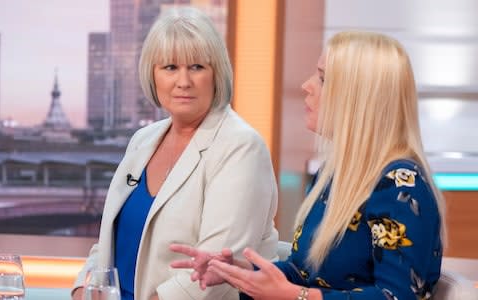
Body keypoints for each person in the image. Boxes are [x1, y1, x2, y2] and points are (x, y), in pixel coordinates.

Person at [170, 31, 446, 300]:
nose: (307, 85)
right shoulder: (333, 175)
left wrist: (297, 296)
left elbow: (396, 296)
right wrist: (241, 272)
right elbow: (305, 273)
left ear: (359, 99)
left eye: (323, 79)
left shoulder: (400, 186)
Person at [71, 7, 279, 300]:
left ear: (216, 73)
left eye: (196, 67)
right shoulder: (143, 139)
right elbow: (108, 244)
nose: (183, 82)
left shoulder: (241, 146)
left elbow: (213, 274)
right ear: (153, 75)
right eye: (170, 68)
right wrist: (83, 289)